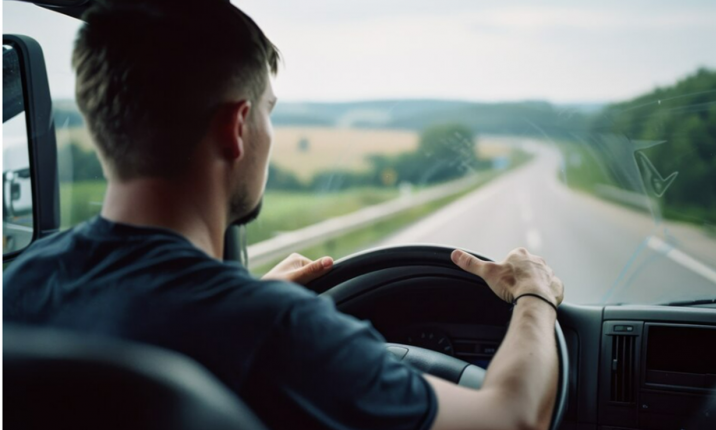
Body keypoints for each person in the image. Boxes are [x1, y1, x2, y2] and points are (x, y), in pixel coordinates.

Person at [3, 1, 564, 429]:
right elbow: (510, 418)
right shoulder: (279, 330)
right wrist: (533, 295)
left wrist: (245, 293)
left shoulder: (22, 280)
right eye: (268, 113)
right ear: (237, 127)